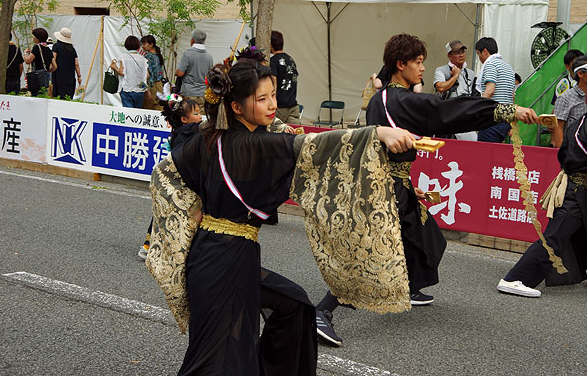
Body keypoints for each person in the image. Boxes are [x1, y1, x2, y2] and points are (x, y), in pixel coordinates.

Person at [147, 59, 417, 375]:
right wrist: (376, 133)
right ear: (236, 107)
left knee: (294, 305)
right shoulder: (251, 143)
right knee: (216, 360)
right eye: (261, 99)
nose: (273, 104)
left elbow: (164, 171)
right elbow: (314, 145)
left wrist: (191, 212)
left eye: (272, 95)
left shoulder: (213, 135)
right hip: (223, 263)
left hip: (219, 254)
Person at [313, 33, 539, 347]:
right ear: (400, 64)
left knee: (426, 237)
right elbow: (446, 111)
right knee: (369, 253)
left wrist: (408, 184)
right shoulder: (399, 100)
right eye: (417, 62)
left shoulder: (383, 99)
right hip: (384, 188)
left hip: (396, 184)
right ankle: (321, 311)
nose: (422, 68)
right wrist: (505, 110)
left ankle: (406, 286)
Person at [498, 77, 587, 298]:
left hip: (579, 189)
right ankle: (514, 278)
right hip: (574, 193)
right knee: (554, 238)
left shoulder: (582, 123)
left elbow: (564, 154)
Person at [138, 95, 203, 261]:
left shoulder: (179, 133)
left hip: (174, 182)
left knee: (163, 211)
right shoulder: (190, 131)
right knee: (175, 213)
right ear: (184, 119)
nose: (200, 116)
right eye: (196, 113)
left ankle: (149, 245)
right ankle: (155, 246)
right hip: (181, 183)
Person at [552, 57, 587, 148]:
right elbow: (558, 127)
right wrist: (561, 152)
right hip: (572, 149)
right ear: (580, 74)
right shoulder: (565, 98)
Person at [475, 37, 516, 142]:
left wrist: (478, 110)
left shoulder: (490, 64)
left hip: (492, 118)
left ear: (485, 51)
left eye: (478, 54)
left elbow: (490, 90)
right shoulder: (508, 67)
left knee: (484, 150)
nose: (479, 58)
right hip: (506, 119)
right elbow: (512, 96)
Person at [175, 29, 213, 113]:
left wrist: (176, 71)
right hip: (202, 93)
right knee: (201, 116)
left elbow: (180, 73)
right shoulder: (209, 57)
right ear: (204, 41)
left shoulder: (188, 54)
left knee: (188, 115)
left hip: (189, 92)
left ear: (192, 40)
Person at [270, 31, 300, 124]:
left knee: (274, 131)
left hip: (279, 106)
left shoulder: (273, 61)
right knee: (294, 132)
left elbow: (273, 82)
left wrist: (272, 101)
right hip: (293, 106)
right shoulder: (290, 59)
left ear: (270, 44)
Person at [110, 36, 149, 108]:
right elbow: (147, 75)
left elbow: (121, 72)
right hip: (140, 89)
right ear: (138, 45)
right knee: (137, 112)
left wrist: (114, 67)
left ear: (126, 45)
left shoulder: (123, 57)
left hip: (127, 88)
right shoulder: (143, 59)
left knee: (128, 112)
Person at [23, 28, 56, 96]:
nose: (33, 38)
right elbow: (55, 66)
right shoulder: (48, 49)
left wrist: (25, 53)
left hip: (37, 76)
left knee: (36, 95)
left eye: (34, 36)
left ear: (38, 38)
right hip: (45, 77)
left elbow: (28, 61)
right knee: (43, 94)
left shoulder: (37, 47)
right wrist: (48, 71)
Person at [52, 27, 81, 99]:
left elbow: (53, 59)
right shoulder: (72, 49)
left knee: (59, 96)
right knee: (68, 96)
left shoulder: (56, 46)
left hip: (58, 74)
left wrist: (51, 69)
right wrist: (79, 76)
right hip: (70, 76)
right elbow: (76, 64)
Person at [140, 35, 166, 111]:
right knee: (159, 107)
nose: (142, 46)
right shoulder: (158, 55)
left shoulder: (147, 56)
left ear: (151, 44)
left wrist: (146, 88)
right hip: (160, 85)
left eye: (144, 44)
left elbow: (148, 75)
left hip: (151, 85)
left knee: (148, 107)